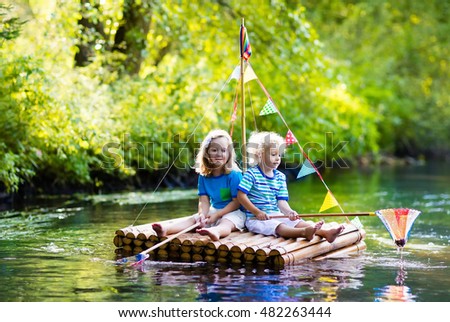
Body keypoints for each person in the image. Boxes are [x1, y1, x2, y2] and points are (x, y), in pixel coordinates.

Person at [237, 131, 345, 242]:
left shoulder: (280, 177)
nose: (278, 158)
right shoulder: (251, 174)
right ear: (260, 154)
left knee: (297, 222)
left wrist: (289, 212)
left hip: (276, 214)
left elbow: (281, 202)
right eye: (273, 154)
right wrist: (257, 212)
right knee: (279, 226)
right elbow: (241, 196)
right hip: (256, 219)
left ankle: (326, 233)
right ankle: (303, 232)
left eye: (279, 155)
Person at [152, 129, 246, 241]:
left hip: (235, 212)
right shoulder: (204, 176)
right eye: (214, 150)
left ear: (229, 153)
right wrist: (202, 214)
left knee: (226, 222)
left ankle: (217, 231)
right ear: (206, 153)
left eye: (224, 150)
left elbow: (237, 202)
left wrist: (218, 215)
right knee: (194, 219)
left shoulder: (234, 174)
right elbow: (204, 200)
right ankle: (166, 229)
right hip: (215, 210)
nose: (219, 154)